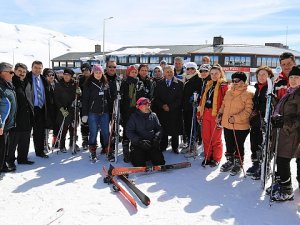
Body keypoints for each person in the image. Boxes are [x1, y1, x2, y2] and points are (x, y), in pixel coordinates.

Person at [267, 65, 300, 202]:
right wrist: (273, 99)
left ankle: (287, 190)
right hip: (282, 132)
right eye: (291, 77)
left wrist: (284, 122)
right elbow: (283, 110)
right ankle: (280, 184)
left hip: (292, 134)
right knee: (279, 159)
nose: (293, 79)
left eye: (296, 77)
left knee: (283, 160)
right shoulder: (290, 92)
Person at [218, 71, 253, 175]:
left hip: (241, 125)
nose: (234, 82)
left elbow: (248, 111)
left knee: (238, 145)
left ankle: (238, 163)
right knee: (229, 143)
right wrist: (220, 114)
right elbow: (224, 105)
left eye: (237, 80)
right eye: (233, 80)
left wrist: (236, 118)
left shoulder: (248, 94)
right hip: (227, 123)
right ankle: (230, 161)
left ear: (243, 81)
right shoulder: (229, 92)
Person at [198, 64, 228, 166]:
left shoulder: (223, 85)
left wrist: (221, 115)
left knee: (215, 138)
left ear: (220, 74)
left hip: (216, 114)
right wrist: (199, 114)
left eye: (216, 73)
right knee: (206, 137)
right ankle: (207, 156)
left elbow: (226, 102)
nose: (214, 75)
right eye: (212, 74)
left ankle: (216, 158)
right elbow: (202, 100)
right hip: (206, 113)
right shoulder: (209, 84)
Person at [247, 66, 274, 177]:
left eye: (264, 75)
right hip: (255, 121)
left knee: (264, 143)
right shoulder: (257, 87)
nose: (261, 77)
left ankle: (265, 166)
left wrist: (258, 111)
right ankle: (256, 163)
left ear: (269, 76)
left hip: (265, 121)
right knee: (254, 142)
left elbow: (270, 104)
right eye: (259, 75)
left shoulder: (271, 88)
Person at [7, 63, 34, 169]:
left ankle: (22, 158)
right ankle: (10, 161)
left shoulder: (27, 82)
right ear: (15, 71)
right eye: (19, 71)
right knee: (13, 141)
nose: (22, 73)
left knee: (25, 139)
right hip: (16, 117)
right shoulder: (11, 83)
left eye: (24, 71)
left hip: (27, 116)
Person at [81, 64, 111, 161]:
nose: (98, 74)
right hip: (92, 112)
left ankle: (107, 148)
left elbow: (108, 98)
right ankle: (92, 150)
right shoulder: (88, 84)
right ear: (93, 73)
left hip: (104, 112)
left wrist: (110, 111)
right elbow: (85, 100)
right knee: (93, 132)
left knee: (106, 132)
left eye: (100, 73)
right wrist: (84, 114)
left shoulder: (105, 83)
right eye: (96, 72)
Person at [126, 97, 165, 167]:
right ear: (140, 106)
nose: (148, 106)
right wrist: (139, 141)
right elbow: (129, 132)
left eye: (149, 104)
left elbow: (159, 129)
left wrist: (156, 137)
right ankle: (134, 155)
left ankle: (149, 156)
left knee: (160, 162)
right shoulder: (133, 117)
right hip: (138, 144)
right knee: (139, 164)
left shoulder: (153, 115)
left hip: (151, 143)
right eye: (146, 105)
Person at [153, 65, 183, 154]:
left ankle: (175, 147)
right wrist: (162, 106)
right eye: (167, 72)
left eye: (171, 71)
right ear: (164, 73)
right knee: (163, 129)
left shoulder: (180, 83)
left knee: (175, 130)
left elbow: (180, 99)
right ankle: (163, 145)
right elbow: (156, 98)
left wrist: (170, 106)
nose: (169, 73)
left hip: (174, 111)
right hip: (162, 111)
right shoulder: (159, 83)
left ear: (173, 72)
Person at [120, 65, 146, 162]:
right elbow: (123, 99)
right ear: (128, 73)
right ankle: (126, 152)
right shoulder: (124, 83)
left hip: (137, 112)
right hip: (127, 112)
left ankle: (134, 150)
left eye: (135, 72)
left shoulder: (140, 83)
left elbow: (143, 97)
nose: (134, 74)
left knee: (137, 131)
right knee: (127, 131)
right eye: (132, 72)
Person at [27, 60, 50, 158]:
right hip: (29, 109)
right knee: (26, 133)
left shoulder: (43, 79)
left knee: (39, 132)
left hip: (40, 109)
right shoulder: (27, 78)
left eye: (40, 68)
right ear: (31, 68)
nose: (37, 70)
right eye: (35, 67)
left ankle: (40, 151)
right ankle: (22, 154)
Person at [54, 68, 79, 153]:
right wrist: (61, 109)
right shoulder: (59, 85)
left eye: (68, 75)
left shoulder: (75, 84)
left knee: (73, 127)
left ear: (71, 76)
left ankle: (73, 143)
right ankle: (61, 145)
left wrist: (79, 93)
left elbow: (78, 97)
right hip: (63, 109)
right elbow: (56, 99)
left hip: (72, 109)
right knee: (64, 128)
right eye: (65, 75)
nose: (66, 76)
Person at [181, 62, 203, 157]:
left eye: (192, 69)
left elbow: (199, 91)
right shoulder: (186, 78)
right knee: (187, 126)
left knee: (193, 127)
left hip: (193, 107)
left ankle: (193, 146)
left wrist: (195, 99)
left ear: (195, 70)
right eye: (188, 69)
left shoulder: (198, 79)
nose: (190, 70)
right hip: (186, 107)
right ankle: (189, 144)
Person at [0, 62, 17, 173]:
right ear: (2, 73)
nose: (13, 74)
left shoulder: (7, 84)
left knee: (5, 147)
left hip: (8, 124)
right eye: (11, 72)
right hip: (2, 125)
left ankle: (3, 165)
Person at [43, 68, 58, 150]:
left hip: (56, 108)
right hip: (47, 108)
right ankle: (45, 143)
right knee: (47, 126)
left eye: (52, 75)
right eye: (48, 75)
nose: (51, 76)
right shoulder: (43, 84)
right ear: (45, 76)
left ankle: (55, 142)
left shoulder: (56, 83)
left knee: (56, 125)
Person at [79, 63, 92, 150]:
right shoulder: (80, 80)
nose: (85, 72)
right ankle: (85, 140)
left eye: (87, 70)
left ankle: (92, 139)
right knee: (84, 123)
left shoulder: (94, 78)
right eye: (83, 70)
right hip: (83, 104)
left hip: (93, 104)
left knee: (93, 123)